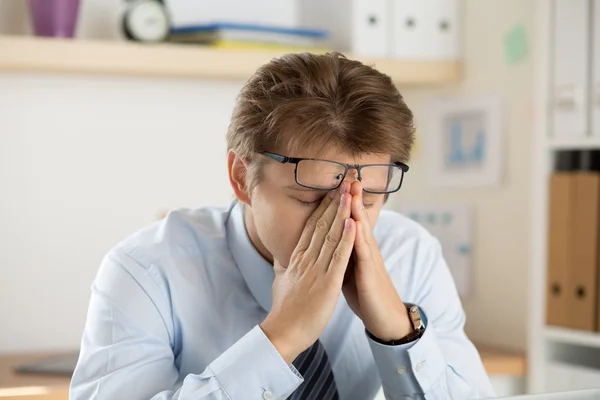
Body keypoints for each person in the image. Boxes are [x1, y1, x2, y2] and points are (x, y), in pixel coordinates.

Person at [70, 52, 495, 400]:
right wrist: (283, 336)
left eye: (368, 199)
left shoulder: (411, 254)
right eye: (311, 198)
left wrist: (399, 333)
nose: (345, 221)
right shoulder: (145, 271)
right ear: (241, 176)